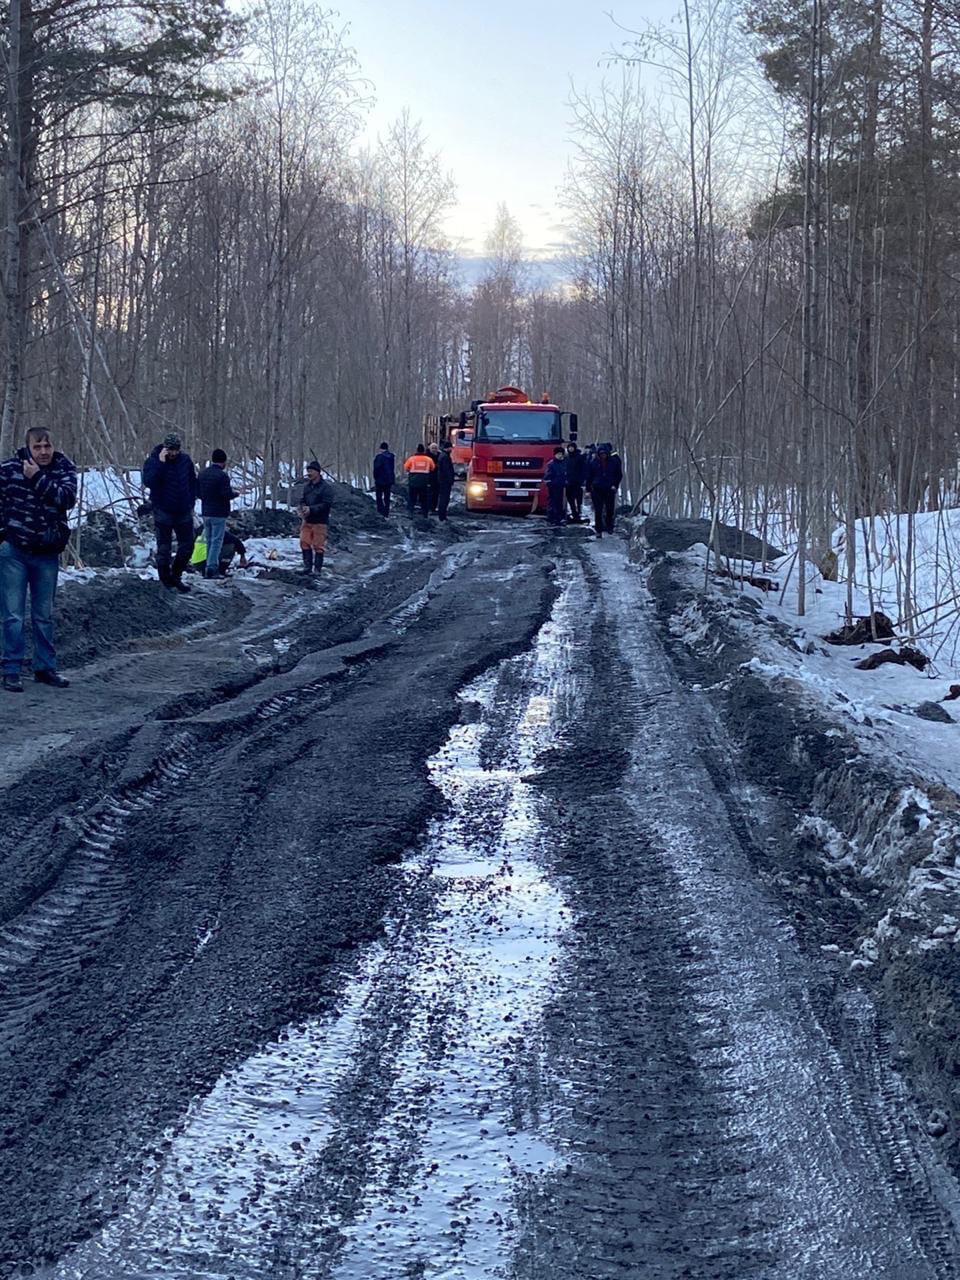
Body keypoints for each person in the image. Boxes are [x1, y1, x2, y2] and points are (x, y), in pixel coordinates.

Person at [0, 427, 77, 692]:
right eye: (38, 447)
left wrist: (38, 478)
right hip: (15, 552)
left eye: (47, 446)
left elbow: (67, 499)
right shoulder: (9, 469)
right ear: (28, 448)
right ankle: (11, 669)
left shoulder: (63, 468)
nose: (44, 451)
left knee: (43, 614)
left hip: (47, 553)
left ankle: (45, 668)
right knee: (12, 614)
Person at [142, 432, 198, 591]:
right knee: (164, 548)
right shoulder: (153, 461)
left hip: (183, 510)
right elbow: (149, 481)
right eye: (170, 449)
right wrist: (161, 463)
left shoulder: (185, 461)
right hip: (163, 510)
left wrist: (191, 501)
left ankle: (176, 575)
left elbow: (192, 482)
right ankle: (165, 580)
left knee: (188, 546)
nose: (173, 453)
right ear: (165, 448)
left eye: (176, 449)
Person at [196, 448, 238, 579]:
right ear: (223, 462)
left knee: (208, 540)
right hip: (219, 513)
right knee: (216, 541)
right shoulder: (222, 476)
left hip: (205, 512)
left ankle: (208, 566)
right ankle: (212, 568)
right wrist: (235, 494)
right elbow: (225, 494)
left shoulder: (202, 474)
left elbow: (197, 492)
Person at [299, 460, 333, 575]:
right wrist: (303, 507)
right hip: (307, 520)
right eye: (308, 471)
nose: (309, 473)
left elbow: (326, 504)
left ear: (318, 472)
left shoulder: (326, 488)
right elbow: (302, 499)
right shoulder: (307, 487)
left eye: (311, 471)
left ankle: (317, 570)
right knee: (304, 542)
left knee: (318, 546)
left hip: (320, 521)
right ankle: (307, 567)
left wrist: (311, 509)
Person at [586, 441, 623, 538]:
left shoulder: (614, 462)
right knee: (598, 510)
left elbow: (618, 475)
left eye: (604, 453)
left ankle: (609, 525)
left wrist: (615, 485)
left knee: (610, 509)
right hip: (597, 489)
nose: (603, 455)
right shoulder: (593, 462)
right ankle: (598, 530)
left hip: (609, 488)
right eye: (601, 453)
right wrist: (588, 489)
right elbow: (589, 476)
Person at [403, 445, 435, 517]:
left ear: (417, 450)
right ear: (423, 451)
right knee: (424, 499)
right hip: (424, 482)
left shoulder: (411, 459)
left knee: (412, 498)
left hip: (413, 481)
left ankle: (410, 513)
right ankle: (425, 514)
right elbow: (432, 468)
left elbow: (406, 467)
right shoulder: (428, 459)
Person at [544, 447, 567, 527]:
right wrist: (550, 483)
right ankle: (551, 518)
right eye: (558, 454)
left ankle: (559, 518)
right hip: (553, 486)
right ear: (555, 455)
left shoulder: (563, 463)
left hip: (561, 486)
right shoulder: (551, 464)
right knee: (552, 502)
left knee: (559, 503)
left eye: (561, 454)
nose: (560, 455)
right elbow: (547, 477)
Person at [564, 442, 587, 523]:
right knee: (570, 498)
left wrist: (582, 480)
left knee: (578, 498)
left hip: (577, 481)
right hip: (568, 482)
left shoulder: (579, 458)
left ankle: (578, 513)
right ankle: (573, 513)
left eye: (572, 447)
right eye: (569, 447)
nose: (570, 449)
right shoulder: (566, 458)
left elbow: (583, 469)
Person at [373, 442, 395, 518]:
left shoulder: (379, 457)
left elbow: (376, 468)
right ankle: (386, 512)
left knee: (379, 496)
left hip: (380, 480)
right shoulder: (391, 457)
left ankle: (380, 511)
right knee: (387, 497)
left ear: (381, 449)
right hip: (389, 480)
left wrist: (375, 477)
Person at [436, 440, 456, 521]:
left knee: (443, 498)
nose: (452, 449)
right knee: (444, 498)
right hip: (445, 481)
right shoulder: (445, 457)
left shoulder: (443, 456)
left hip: (443, 480)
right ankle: (442, 515)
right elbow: (447, 470)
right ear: (448, 448)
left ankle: (442, 515)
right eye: (451, 448)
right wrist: (450, 479)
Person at [426, 441, 441, 512]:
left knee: (436, 494)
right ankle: (429, 507)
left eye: (435, 448)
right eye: (433, 448)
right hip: (429, 477)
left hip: (437, 478)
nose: (434, 449)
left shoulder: (440, 455)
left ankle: (433, 507)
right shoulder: (427, 456)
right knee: (429, 493)